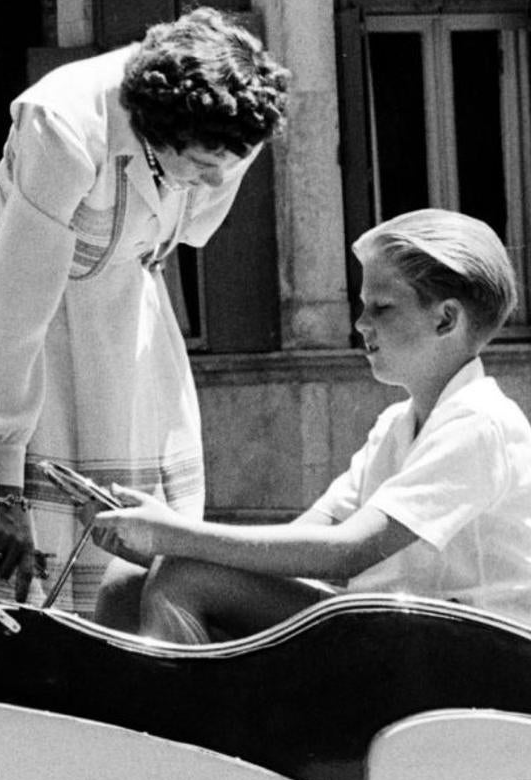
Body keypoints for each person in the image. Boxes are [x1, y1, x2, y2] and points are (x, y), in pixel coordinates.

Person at [0, 6, 289, 780]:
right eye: (199, 164)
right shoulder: (62, 123)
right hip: (24, 339)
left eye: (227, 165)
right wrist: (0, 477)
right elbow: (12, 311)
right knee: (20, 599)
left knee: (137, 591)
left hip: (124, 333)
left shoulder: (233, 113)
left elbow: (180, 233)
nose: (217, 180)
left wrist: (205, 177)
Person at [90, 209, 531, 643]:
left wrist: (176, 536)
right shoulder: (397, 425)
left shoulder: (479, 421)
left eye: (381, 307)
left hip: (470, 652)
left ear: (445, 319)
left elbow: (349, 552)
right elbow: (310, 535)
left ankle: (183, 713)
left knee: (186, 576)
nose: (361, 324)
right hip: (401, 635)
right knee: (128, 577)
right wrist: (160, 541)